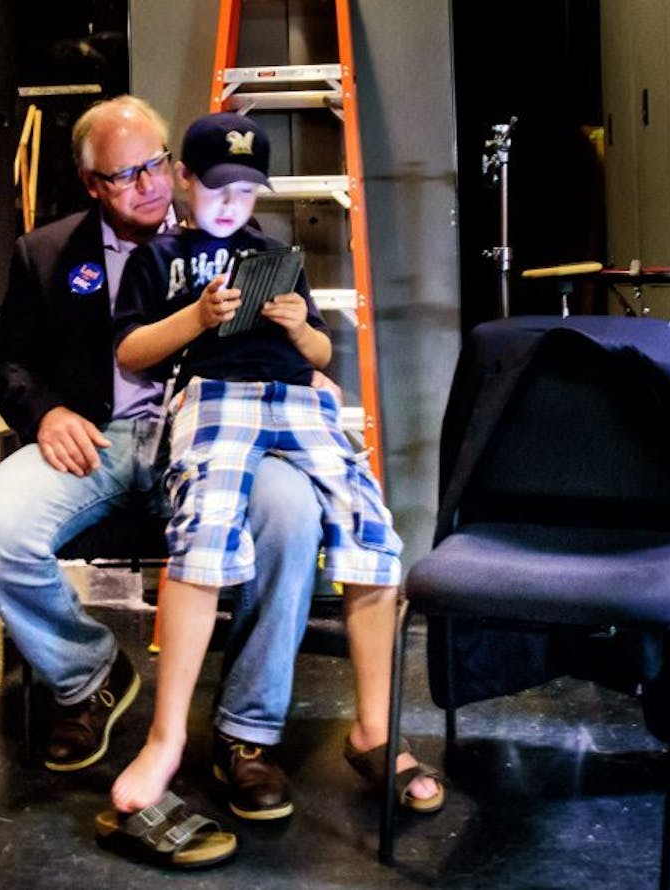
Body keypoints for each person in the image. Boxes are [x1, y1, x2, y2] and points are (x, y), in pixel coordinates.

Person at [0, 95, 324, 822]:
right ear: (92, 184)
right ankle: (87, 674)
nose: (147, 185)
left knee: (292, 513)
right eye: (125, 175)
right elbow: (8, 366)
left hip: (222, 433)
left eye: (155, 164)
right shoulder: (46, 253)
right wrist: (48, 412)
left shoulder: (242, 240)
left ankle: (246, 732)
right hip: (102, 438)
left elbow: (301, 344)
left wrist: (308, 363)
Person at [108, 111, 444, 817]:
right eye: (218, 188)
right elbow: (131, 353)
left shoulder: (276, 254)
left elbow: (323, 357)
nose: (232, 204)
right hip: (212, 398)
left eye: (247, 191)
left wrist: (299, 328)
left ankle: (375, 727)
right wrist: (197, 318)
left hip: (293, 399)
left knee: (371, 529)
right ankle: (167, 739)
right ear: (183, 177)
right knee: (204, 534)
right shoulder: (160, 257)